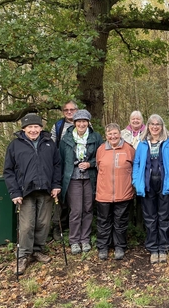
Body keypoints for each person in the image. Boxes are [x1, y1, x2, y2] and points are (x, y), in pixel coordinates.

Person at [3, 114, 62, 275]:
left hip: (46, 190)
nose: (33, 130)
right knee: (27, 225)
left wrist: (56, 185)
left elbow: (57, 165)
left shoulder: (49, 143)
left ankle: (37, 250)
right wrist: (14, 192)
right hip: (25, 192)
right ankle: (23, 255)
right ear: (24, 129)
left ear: (41, 128)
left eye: (36, 127)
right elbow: (8, 171)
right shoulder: (15, 145)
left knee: (43, 224)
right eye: (30, 127)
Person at [132, 114, 169, 264]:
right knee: (150, 217)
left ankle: (164, 246)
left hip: (165, 184)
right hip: (147, 185)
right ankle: (153, 248)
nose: (155, 127)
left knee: (164, 216)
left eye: (158, 124)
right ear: (148, 126)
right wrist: (136, 181)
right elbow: (136, 164)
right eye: (152, 124)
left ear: (162, 126)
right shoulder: (142, 143)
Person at [59, 109, 103, 255]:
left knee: (88, 209)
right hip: (73, 178)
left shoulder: (96, 137)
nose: (82, 124)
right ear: (74, 123)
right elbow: (60, 160)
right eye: (79, 121)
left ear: (88, 123)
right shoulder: (66, 139)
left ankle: (85, 239)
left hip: (90, 177)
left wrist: (90, 164)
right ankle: (74, 240)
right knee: (76, 210)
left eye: (84, 121)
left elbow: (101, 157)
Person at [96, 123, 136, 260]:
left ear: (120, 134)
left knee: (120, 222)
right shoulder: (101, 149)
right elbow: (98, 167)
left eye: (115, 133)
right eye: (109, 134)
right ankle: (103, 247)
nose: (113, 136)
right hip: (104, 193)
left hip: (123, 192)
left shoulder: (129, 149)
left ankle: (120, 246)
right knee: (103, 222)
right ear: (106, 136)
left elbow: (134, 168)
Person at [50, 100, 78, 241]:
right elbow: (51, 145)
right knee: (61, 197)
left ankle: (72, 227)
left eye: (72, 109)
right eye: (66, 110)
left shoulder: (84, 123)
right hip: (61, 166)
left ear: (76, 110)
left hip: (79, 168)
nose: (69, 112)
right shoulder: (58, 126)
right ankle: (58, 227)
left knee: (75, 199)